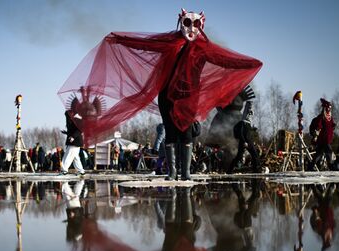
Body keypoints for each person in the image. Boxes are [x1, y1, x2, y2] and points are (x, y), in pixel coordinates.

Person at [58, 9, 262, 181]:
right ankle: (173, 172)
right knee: (171, 133)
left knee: (187, 133)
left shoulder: (203, 50)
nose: (191, 27)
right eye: (188, 22)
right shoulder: (169, 42)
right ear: (181, 22)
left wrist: (250, 64)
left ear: (201, 25)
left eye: (196, 23)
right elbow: (144, 44)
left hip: (189, 97)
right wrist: (120, 39)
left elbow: (226, 61)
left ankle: (186, 173)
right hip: (167, 96)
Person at [227, 101, 261, 173]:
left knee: (255, 155)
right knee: (239, 156)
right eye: (249, 113)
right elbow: (241, 133)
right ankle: (229, 170)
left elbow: (248, 134)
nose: (250, 114)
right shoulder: (243, 122)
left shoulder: (248, 124)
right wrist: (244, 141)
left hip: (249, 141)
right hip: (244, 141)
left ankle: (256, 170)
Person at [309, 98, 336, 170]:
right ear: (325, 108)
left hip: (327, 139)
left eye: (330, 108)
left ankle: (310, 167)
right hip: (323, 139)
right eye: (328, 108)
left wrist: (333, 127)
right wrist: (316, 133)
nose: (329, 109)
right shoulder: (321, 117)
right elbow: (318, 126)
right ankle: (331, 166)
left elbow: (332, 125)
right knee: (329, 151)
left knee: (318, 154)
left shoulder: (330, 118)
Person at [60, 111, 85, 176]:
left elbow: (79, 130)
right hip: (74, 142)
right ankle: (81, 171)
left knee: (68, 156)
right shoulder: (72, 121)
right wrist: (66, 133)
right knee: (75, 158)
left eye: (66, 115)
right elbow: (72, 131)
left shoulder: (77, 120)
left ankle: (64, 170)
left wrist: (73, 137)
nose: (66, 117)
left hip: (75, 142)